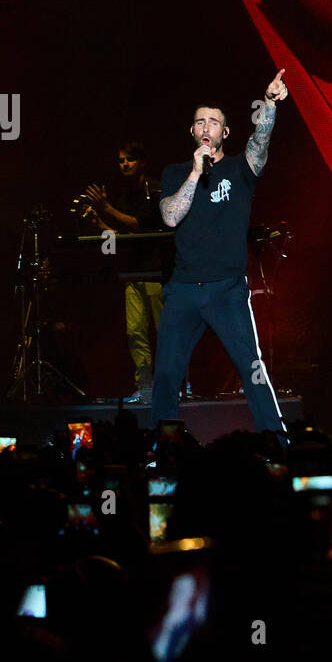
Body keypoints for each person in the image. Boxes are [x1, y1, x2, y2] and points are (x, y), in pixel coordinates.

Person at [151, 70, 289, 440]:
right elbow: (169, 216)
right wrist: (196, 172)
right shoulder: (176, 172)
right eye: (200, 122)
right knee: (165, 373)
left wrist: (271, 104)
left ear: (226, 132)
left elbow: (260, 147)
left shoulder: (240, 168)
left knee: (251, 367)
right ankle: (161, 451)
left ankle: (278, 444)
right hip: (183, 289)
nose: (206, 127)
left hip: (227, 288)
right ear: (192, 132)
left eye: (214, 122)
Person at [82, 142, 165, 403]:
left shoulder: (155, 189)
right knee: (135, 333)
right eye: (120, 160)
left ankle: (174, 384)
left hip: (156, 272)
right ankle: (147, 388)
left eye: (129, 159)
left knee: (165, 332)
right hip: (132, 274)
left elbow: (140, 225)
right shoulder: (124, 194)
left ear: (142, 162)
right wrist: (100, 223)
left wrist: (106, 209)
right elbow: (123, 236)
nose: (124, 165)